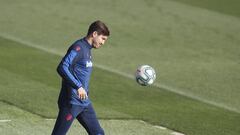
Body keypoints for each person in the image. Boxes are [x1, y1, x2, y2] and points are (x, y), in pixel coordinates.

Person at [51, 20, 110, 135]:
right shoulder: (78, 48)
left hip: (84, 102)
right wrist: (78, 86)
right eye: (102, 39)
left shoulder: (87, 50)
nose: (103, 43)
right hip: (71, 103)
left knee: (98, 133)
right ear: (94, 34)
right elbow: (62, 67)